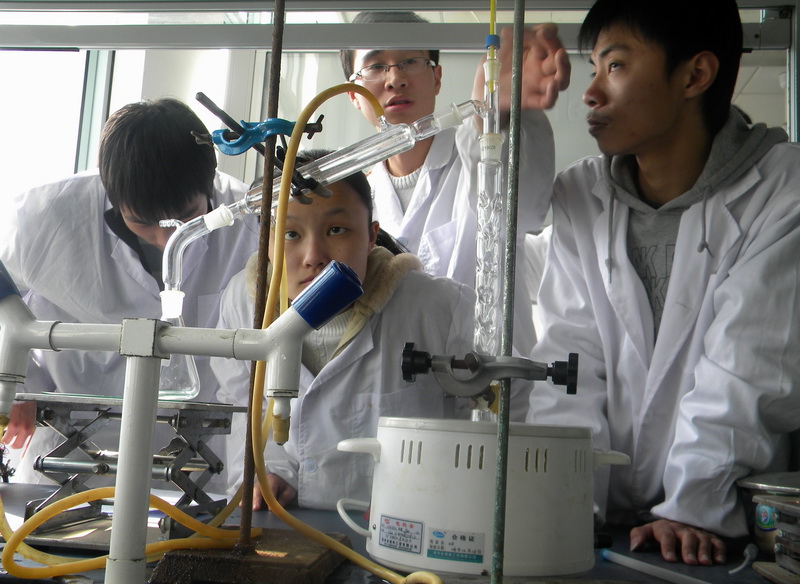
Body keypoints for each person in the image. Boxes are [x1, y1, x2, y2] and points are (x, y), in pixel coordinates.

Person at [528, 0, 800, 567]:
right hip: (607, 526)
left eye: (616, 66)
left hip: (719, 526)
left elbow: (750, 366)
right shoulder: (581, 194)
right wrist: (564, 501)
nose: (591, 93)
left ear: (695, 75)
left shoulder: (782, 187)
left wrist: (694, 505)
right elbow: (568, 365)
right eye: (594, 68)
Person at [211, 149, 532, 510]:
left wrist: (461, 494)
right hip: (287, 518)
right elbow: (242, 403)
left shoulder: (437, 307)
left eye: (336, 230)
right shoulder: (244, 302)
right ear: (265, 242)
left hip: (412, 520)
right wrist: (269, 471)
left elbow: (507, 396)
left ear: (371, 236)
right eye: (290, 233)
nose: (314, 256)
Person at [0, 98, 259, 486]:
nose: (166, 240)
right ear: (111, 192)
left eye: (188, 218)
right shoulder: (42, 218)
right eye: (143, 223)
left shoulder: (250, 223)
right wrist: (16, 383)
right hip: (67, 452)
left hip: (200, 458)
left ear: (210, 185)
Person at [340, 11, 570, 357]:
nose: (395, 79)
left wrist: (500, 115)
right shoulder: (353, 200)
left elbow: (524, 209)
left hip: (490, 383)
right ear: (353, 94)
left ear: (437, 78)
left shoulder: (482, 151)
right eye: (375, 66)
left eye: (410, 61)